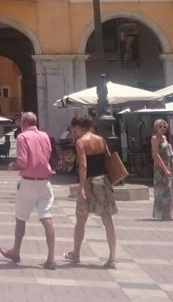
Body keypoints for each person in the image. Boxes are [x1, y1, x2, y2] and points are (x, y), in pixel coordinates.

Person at [0, 111, 56, 270]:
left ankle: (15, 252)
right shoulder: (45, 136)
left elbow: (23, 161)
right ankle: (51, 258)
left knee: (21, 218)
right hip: (45, 183)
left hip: (29, 183)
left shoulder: (22, 137)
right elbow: (47, 156)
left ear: (24, 123)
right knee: (47, 219)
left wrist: (12, 166)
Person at [63, 114, 117, 269]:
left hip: (89, 182)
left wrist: (81, 187)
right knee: (107, 219)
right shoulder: (100, 140)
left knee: (81, 219)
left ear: (79, 127)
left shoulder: (81, 142)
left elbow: (83, 166)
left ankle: (76, 253)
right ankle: (112, 257)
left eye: (74, 129)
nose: (74, 132)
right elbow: (108, 159)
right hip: (103, 180)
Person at [150, 119, 173, 221]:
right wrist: (165, 169)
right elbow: (156, 155)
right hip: (161, 169)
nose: (162, 129)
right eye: (160, 127)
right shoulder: (154, 139)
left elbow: (169, 155)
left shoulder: (165, 138)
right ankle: (163, 213)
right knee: (162, 191)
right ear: (156, 127)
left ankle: (169, 213)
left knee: (171, 190)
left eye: (164, 127)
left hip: (169, 166)